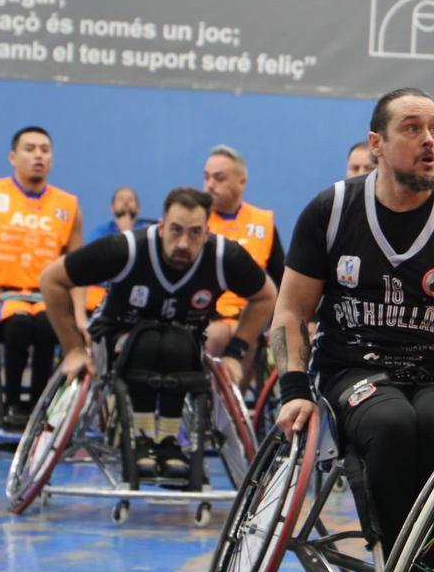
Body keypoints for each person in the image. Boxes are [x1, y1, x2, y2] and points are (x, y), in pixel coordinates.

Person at [273, 88, 434, 553]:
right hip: (354, 370)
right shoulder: (331, 209)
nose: (428, 140)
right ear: (376, 144)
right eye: (412, 129)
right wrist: (293, 391)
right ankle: (400, 562)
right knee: (392, 423)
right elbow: (290, 310)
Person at [40, 187, 275, 478]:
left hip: (182, 343)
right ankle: (141, 438)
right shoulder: (125, 249)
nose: (183, 243)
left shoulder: (224, 257)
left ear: (206, 233)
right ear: (161, 227)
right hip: (118, 336)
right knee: (148, 341)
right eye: (175, 230)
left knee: (177, 343)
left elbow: (266, 295)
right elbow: (51, 279)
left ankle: (168, 440)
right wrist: (74, 348)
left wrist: (235, 353)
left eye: (194, 233)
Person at [0, 126, 84, 427]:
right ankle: (12, 406)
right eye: (30, 148)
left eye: (45, 150)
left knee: (51, 326)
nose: (38, 155)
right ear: (13, 156)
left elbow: (77, 271)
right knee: (20, 326)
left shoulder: (68, 206)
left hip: (46, 298)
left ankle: (39, 406)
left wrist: (79, 317)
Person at [202, 145, 285, 387]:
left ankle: (231, 415)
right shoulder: (196, 223)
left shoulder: (263, 223)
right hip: (206, 318)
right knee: (216, 335)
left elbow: (281, 280)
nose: (209, 185)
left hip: (249, 320)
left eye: (218, 178)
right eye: (206, 177)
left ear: (241, 182)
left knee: (245, 338)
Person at [88, 187, 154, 241]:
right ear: (112, 208)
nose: (126, 202)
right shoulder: (101, 232)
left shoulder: (150, 230)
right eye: (121, 199)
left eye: (130, 199)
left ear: (138, 208)